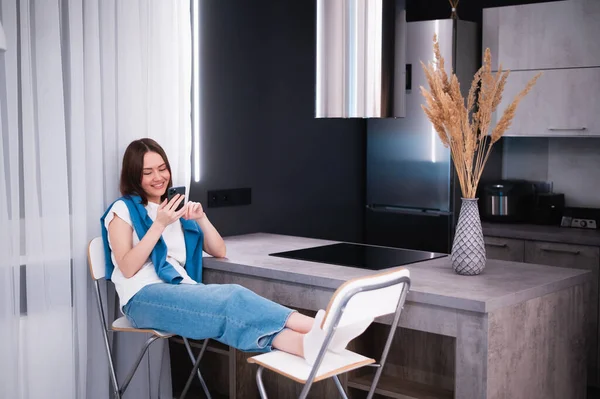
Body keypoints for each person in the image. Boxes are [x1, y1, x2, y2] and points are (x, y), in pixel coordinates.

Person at [100, 138, 328, 364]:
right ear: (133, 176)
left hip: (179, 290)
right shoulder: (123, 210)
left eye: (162, 169)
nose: (158, 177)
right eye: (147, 172)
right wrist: (158, 224)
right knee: (232, 297)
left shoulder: (173, 208)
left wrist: (201, 218)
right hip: (141, 298)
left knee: (231, 315)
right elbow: (128, 268)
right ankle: (324, 327)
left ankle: (304, 345)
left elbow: (219, 250)